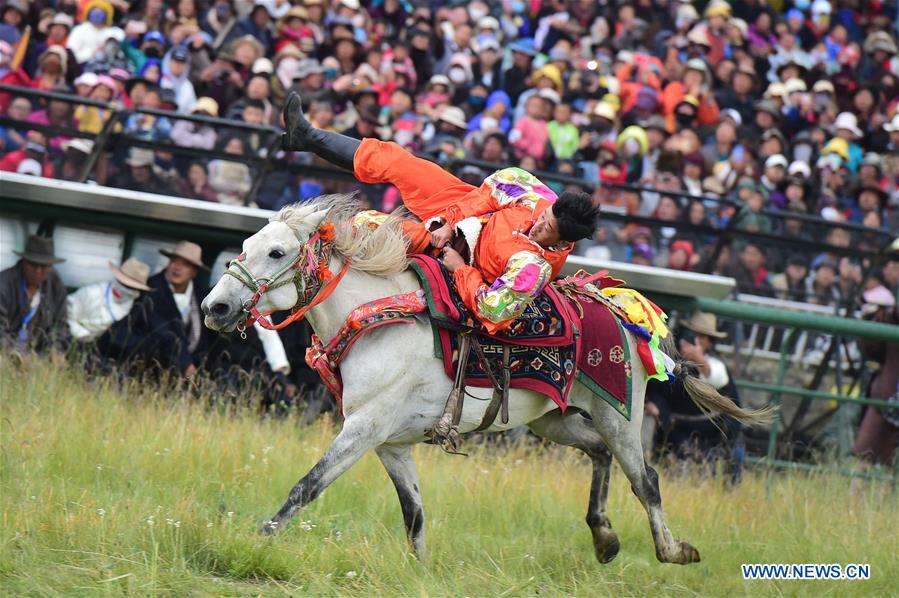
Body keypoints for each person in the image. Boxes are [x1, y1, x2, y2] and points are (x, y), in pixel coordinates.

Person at [281, 91, 599, 334]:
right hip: (464, 209)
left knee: (369, 225)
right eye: (544, 217)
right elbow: (495, 187)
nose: (538, 225)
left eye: (546, 230)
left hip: (460, 255)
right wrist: (450, 220)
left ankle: (302, 263)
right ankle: (308, 136)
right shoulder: (540, 199)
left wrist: (461, 268)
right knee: (400, 162)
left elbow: (493, 310)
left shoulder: (535, 268)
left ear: (560, 242)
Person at [645, 312, 741, 473]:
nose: (695, 341)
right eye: (693, 335)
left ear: (710, 342)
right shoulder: (670, 364)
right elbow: (656, 391)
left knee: (733, 455)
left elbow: (719, 382)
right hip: (675, 433)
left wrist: (700, 361)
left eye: (702, 337)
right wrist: (660, 410)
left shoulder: (717, 367)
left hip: (711, 435)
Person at [102, 241, 209, 377]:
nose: (177, 267)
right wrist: (184, 363)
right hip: (147, 370)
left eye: (186, 264)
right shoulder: (150, 289)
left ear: (194, 272)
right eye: (174, 261)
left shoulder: (200, 296)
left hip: (186, 374)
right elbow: (160, 330)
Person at [0, 235, 70, 354]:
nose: (38, 271)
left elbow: (60, 324)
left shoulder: (55, 284)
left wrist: (55, 349)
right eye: (33, 265)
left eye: (44, 267)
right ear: (23, 262)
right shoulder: (4, 283)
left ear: (51, 267)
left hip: (39, 355)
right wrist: (16, 354)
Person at [67, 258, 153, 343]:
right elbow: (65, 313)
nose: (123, 290)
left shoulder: (137, 306)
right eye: (121, 283)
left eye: (130, 288)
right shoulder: (91, 293)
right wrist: (82, 334)